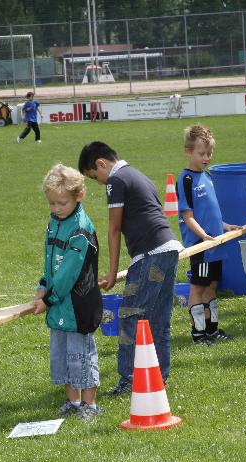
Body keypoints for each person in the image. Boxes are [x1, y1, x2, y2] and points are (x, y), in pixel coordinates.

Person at [78, 142, 183, 396]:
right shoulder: (139, 175)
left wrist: (112, 273)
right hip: (169, 249)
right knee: (159, 319)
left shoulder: (117, 180)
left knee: (130, 316)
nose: (99, 183)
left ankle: (129, 380)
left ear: (101, 164)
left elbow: (113, 229)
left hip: (149, 255)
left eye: (95, 177)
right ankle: (159, 376)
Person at [32, 164, 103, 420]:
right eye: (51, 203)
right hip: (58, 303)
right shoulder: (54, 223)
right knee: (62, 354)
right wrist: (42, 285)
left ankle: (89, 405)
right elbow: (50, 262)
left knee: (81, 355)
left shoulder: (81, 229)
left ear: (79, 196)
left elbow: (68, 274)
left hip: (78, 303)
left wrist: (48, 299)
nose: (56, 208)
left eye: (61, 203)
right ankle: (72, 402)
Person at [176, 125, 240, 345]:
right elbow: (188, 216)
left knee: (212, 286)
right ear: (188, 151)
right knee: (198, 287)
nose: (206, 158)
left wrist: (225, 226)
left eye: (209, 154)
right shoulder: (185, 180)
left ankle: (212, 330)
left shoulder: (208, 176)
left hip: (215, 243)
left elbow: (210, 213)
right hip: (201, 245)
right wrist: (203, 237)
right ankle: (198, 333)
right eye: (201, 153)